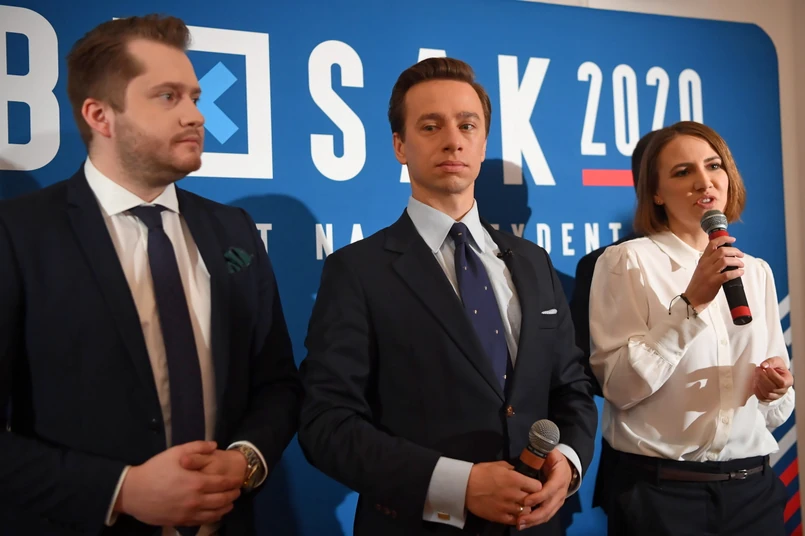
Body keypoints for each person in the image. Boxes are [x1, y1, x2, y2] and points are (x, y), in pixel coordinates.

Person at [0, 15, 301, 536]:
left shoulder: (233, 229)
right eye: (168, 97)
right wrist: (121, 490)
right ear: (100, 115)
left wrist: (245, 459)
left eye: (195, 97)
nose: (196, 115)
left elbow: (277, 383)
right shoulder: (19, 234)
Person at [298, 57, 597, 535]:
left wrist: (569, 458)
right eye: (430, 126)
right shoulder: (357, 271)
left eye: (467, 125)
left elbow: (572, 388)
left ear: (483, 142)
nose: (453, 139)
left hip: (537, 524)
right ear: (400, 145)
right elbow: (327, 424)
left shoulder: (533, 262)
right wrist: (458, 485)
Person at [589, 121, 794, 536]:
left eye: (714, 165)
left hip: (753, 492)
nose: (704, 181)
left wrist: (773, 389)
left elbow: (775, 411)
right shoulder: (628, 261)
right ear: (656, 192)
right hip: (662, 497)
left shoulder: (756, 272)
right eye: (683, 172)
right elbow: (620, 387)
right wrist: (691, 304)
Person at [566, 129, 656, 520]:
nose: (702, 183)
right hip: (645, 480)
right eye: (682, 171)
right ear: (648, 185)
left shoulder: (744, 268)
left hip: (746, 488)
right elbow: (585, 373)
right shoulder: (605, 264)